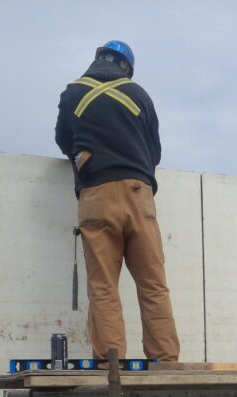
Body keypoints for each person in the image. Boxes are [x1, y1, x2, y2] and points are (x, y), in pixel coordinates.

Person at [55, 39, 180, 363]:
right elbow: (155, 150)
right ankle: (164, 361)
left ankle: (110, 364)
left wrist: (86, 158)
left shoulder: (74, 92)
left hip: (96, 193)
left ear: (99, 60)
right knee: (153, 285)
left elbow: (63, 140)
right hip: (139, 193)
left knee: (103, 287)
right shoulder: (139, 94)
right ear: (127, 67)